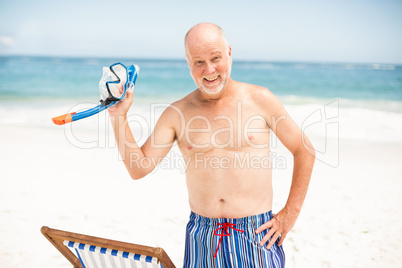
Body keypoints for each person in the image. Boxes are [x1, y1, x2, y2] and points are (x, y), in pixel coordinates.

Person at [108, 23, 315, 267]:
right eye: (198, 62)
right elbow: (138, 168)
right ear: (188, 64)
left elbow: (304, 150)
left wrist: (288, 215)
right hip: (202, 236)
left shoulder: (260, 100)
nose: (209, 70)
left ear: (229, 53)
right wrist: (118, 116)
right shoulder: (178, 113)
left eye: (215, 58)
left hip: (256, 233)